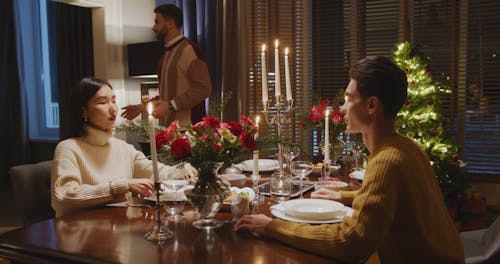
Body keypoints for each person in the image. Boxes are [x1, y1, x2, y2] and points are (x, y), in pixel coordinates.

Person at [235, 57, 465, 263]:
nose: (342, 108)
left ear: (372, 105)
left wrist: (273, 227)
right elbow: (392, 196)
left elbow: (350, 242)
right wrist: (343, 196)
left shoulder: (387, 160)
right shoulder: (406, 146)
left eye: (348, 98)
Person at [51, 77, 196, 217]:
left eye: (114, 101)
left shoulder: (123, 148)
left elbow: (155, 172)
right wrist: (122, 186)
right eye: (103, 102)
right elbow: (65, 196)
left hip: (116, 229)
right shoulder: (68, 148)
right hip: (79, 233)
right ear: (84, 111)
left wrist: (182, 171)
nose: (113, 109)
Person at [121, 3, 211, 128]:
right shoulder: (166, 55)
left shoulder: (190, 50)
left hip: (189, 130)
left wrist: (170, 106)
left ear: (170, 24)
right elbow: (168, 95)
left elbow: (203, 88)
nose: (154, 27)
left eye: (157, 22)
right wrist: (142, 107)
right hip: (170, 130)